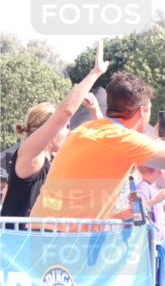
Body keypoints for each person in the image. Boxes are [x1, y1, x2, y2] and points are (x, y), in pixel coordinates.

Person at [30, 70, 165, 226]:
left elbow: (122, 159)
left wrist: (152, 139)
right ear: (142, 111)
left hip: (41, 232)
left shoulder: (85, 130)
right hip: (68, 241)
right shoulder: (122, 139)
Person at [2, 40, 107, 218]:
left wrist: (95, 111)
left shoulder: (53, 161)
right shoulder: (30, 155)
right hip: (15, 244)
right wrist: (95, 73)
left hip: (39, 242)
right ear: (46, 129)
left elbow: (105, 144)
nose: (68, 131)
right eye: (64, 127)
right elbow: (65, 112)